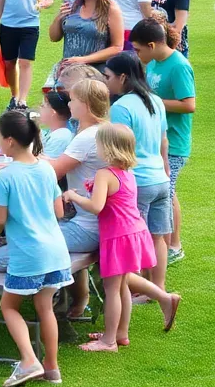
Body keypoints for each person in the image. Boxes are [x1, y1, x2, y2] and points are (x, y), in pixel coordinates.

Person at [63, 123, 181, 353]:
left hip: (117, 236)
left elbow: (97, 207)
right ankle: (119, 333)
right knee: (122, 286)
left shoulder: (104, 174)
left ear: (107, 148)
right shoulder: (127, 173)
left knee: (112, 289)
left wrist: (73, 197)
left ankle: (108, 341)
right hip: (133, 232)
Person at [0, 112, 71, 387]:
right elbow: (58, 211)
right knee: (45, 306)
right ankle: (52, 367)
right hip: (56, 251)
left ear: (9, 141)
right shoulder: (47, 169)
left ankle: (28, 360)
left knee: (8, 305)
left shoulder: (6, 176)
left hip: (29, 254)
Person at [37, 78, 111, 319]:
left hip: (87, 229)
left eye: (73, 100)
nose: (69, 104)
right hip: (97, 223)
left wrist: (21, 159)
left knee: (3, 254)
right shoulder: (103, 130)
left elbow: (54, 171)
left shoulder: (86, 137)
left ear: (86, 105)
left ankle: (46, 304)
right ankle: (76, 300)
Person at [104, 53, 171, 297]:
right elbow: (164, 140)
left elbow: (120, 149)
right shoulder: (156, 100)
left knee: (133, 240)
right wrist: (165, 169)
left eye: (108, 77)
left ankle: (139, 290)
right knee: (158, 237)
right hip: (160, 180)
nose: (106, 81)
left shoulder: (121, 107)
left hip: (139, 182)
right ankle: (158, 287)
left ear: (122, 77)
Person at [132, 18, 195, 265]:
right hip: (157, 140)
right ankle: (173, 245)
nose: (137, 55)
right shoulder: (155, 63)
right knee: (168, 193)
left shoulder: (178, 65)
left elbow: (189, 104)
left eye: (138, 50)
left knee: (164, 196)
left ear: (152, 44)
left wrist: (150, 101)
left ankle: (169, 247)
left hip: (175, 143)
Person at [48, 0, 124, 82]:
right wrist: (59, 17)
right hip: (68, 72)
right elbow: (54, 37)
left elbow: (117, 47)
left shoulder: (110, 8)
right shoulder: (73, 5)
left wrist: (84, 59)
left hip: (94, 75)